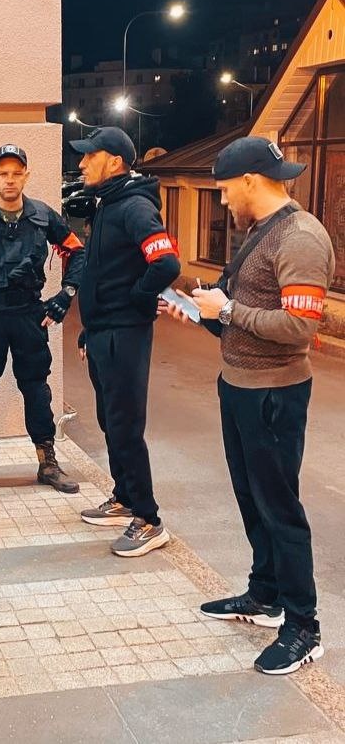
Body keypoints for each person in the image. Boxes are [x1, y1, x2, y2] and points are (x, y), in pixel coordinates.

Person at [164, 136, 334, 675]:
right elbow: (239, 313)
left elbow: (300, 326)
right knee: (251, 497)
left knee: (280, 508)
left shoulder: (301, 237)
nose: (221, 200)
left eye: (223, 189)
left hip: (275, 394)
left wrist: (228, 311)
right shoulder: (260, 230)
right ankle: (265, 595)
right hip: (238, 385)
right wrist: (201, 312)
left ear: (250, 181)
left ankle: (303, 627)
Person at [0, 144, 85, 498]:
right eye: (3, 173)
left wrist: (66, 295)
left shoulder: (43, 215)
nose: (9, 180)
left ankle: (47, 463)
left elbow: (77, 252)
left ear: (26, 176)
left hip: (28, 316)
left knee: (37, 391)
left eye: (16, 173)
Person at [69, 127, 180, 556]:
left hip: (125, 335)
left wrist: (138, 298)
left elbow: (165, 263)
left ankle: (149, 519)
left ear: (114, 161)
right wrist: (90, 327)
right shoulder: (109, 203)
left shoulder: (135, 206)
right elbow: (105, 272)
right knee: (110, 421)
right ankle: (125, 497)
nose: (82, 163)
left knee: (125, 426)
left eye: (89, 156)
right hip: (104, 332)